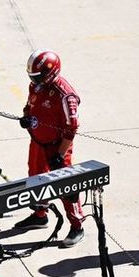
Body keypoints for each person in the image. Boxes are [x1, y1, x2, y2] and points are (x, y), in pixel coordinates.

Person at [16, 49, 85, 247]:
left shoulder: (66, 96)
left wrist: (60, 154)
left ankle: (77, 225)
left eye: (37, 77)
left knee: (66, 185)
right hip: (38, 142)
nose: (34, 80)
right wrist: (26, 117)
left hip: (57, 147)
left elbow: (71, 127)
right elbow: (30, 105)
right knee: (35, 178)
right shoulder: (36, 86)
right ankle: (40, 214)